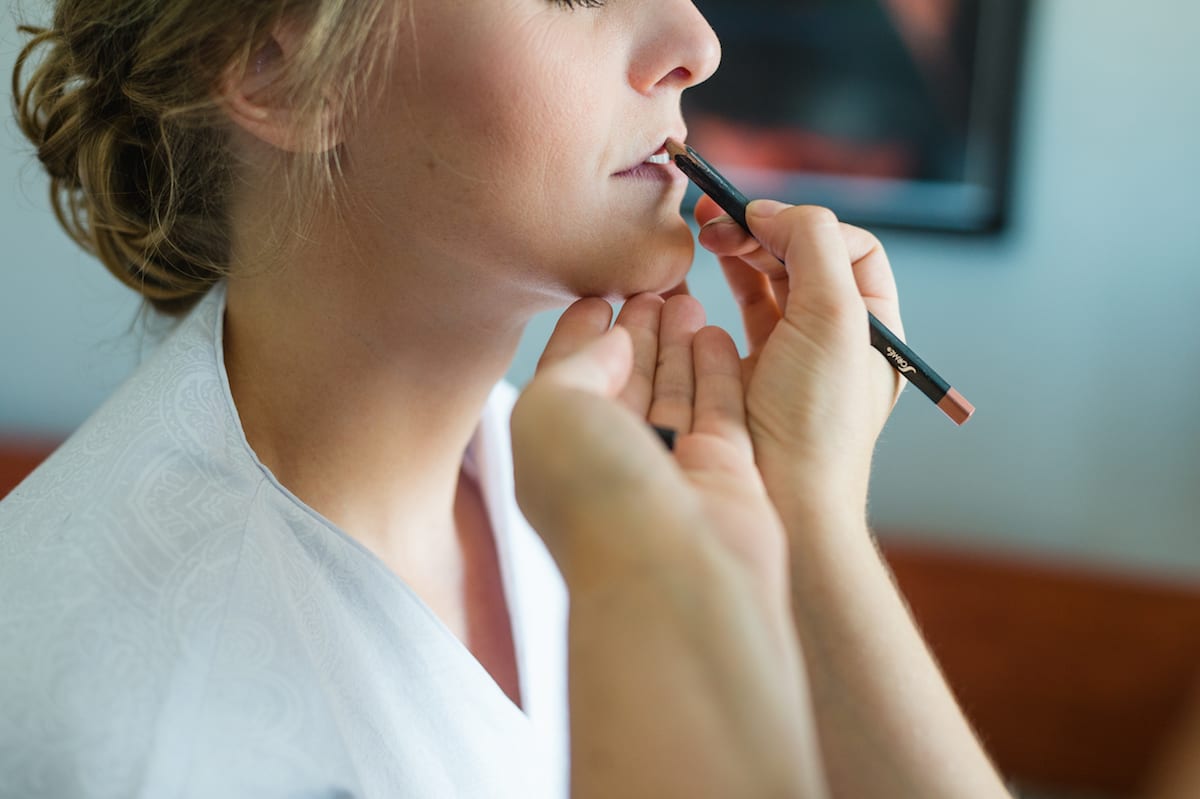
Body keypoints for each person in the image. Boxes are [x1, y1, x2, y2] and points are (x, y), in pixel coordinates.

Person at [2, 0, 1010, 796]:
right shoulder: (109, 728)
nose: (696, 41)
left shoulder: (571, 487)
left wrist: (811, 519)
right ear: (280, 70)